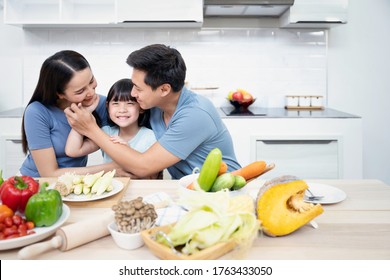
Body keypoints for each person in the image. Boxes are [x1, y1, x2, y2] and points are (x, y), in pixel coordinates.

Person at [65, 44, 241, 179]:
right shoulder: (155, 106)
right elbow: (117, 106)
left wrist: (91, 129)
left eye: (138, 89)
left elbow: (144, 165)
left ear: (164, 90)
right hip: (188, 187)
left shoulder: (195, 115)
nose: (133, 94)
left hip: (223, 190)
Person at [20, 50, 124, 177]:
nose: (91, 93)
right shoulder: (37, 112)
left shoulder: (102, 104)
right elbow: (49, 174)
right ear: (59, 93)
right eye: (80, 91)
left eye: (91, 81)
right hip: (36, 183)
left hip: (73, 183)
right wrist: (110, 168)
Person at [65, 78, 160, 179]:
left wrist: (127, 152)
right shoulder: (106, 132)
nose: (122, 110)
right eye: (115, 104)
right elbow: (73, 151)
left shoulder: (151, 137)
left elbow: (152, 177)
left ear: (141, 108)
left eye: (130, 104)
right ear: (108, 107)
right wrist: (84, 115)